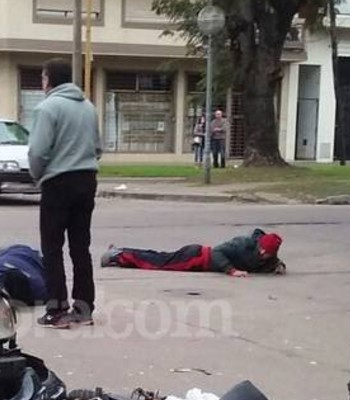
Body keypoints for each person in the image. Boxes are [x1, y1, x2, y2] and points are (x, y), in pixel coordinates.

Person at [27, 58, 102, 329]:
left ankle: (56, 310)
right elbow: (97, 148)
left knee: (52, 248)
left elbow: (38, 151)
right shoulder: (89, 108)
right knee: (80, 246)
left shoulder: (47, 108)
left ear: (49, 79)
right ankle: (84, 308)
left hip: (58, 181)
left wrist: (37, 175)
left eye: (43, 77)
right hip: (87, 179)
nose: (42, 82)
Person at [100, 228, 286, 276]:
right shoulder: (243, 243)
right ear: (259, 245)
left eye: (268, 254)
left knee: (158, 258)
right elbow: (218, 252)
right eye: (263, 251)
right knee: (157, 263)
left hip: (198, 260)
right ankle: (118, 254)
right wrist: (231, 270)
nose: (264, 255)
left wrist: (278, 267)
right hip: (197, 257)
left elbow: (271, 264)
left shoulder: (267, 257)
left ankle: (121, 253)